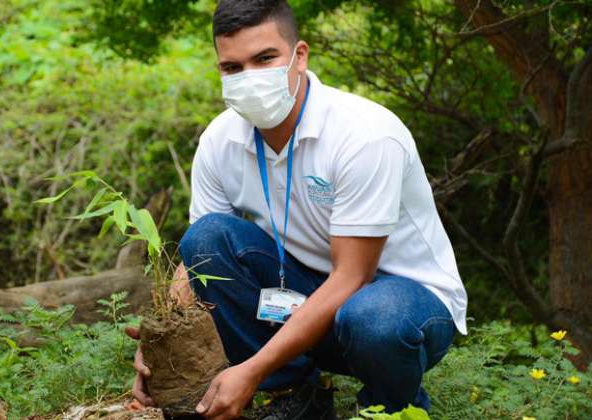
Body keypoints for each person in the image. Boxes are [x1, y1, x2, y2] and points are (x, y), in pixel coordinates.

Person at [128, 1, 468, 419]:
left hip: (402, 307)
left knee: (373, 317)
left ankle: (392, 408)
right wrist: (160, 341)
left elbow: (353, 277)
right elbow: (196, 265)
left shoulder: (365, 135)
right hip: (304, 298)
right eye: (232, 67)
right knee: (205, 238)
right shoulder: (219, 141)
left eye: (265, 58)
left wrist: (249, 369)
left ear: (299, 55)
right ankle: (293, 394)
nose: (249, 78)